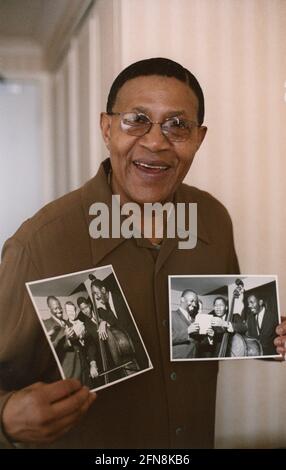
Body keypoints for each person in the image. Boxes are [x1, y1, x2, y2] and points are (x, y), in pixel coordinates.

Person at [0, 57, 285, 449]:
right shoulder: (38, 244)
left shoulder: (214, 222)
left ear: (199, 138)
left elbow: (223, 324)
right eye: (136, 119)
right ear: (107, 128)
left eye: (177, 125)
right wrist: (6, 419)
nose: (155, 141)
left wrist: (270, 336)